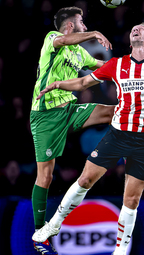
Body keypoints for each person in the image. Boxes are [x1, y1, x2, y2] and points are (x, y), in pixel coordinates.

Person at [32, 22, 144, 255]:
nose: (135, 29)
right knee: (85, 180)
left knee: (131, 201)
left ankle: (119, 252)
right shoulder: (117, 64)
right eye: (133, 28)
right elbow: (83, 82)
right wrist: (59, 84)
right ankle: (52, 225)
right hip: (117, 134)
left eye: (141, 28)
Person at [30, 6, 115, 254]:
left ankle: (137, 153)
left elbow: (104, 65)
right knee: (45, 177)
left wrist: (131, 68)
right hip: (45, 116)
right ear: (70, 25)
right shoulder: (52, 39)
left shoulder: (79, 53)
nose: (85, 27)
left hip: (69, 110)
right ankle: (39, 234)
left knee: (112, 112)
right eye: (82, 23)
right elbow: (65, 40)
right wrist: (95, 33)